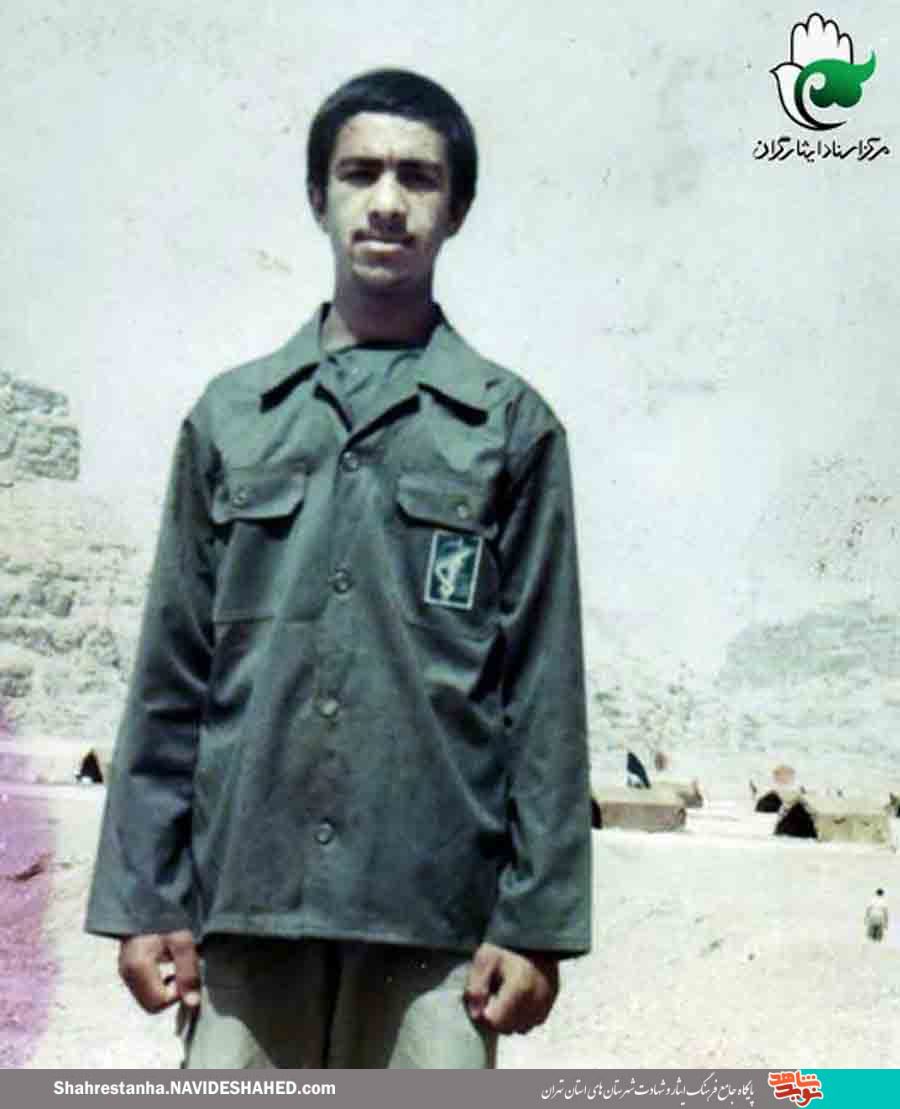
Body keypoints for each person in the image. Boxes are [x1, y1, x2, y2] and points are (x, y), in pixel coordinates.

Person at [85, 67, 592, 1069]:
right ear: (318, 197)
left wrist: (535, 922)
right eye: (360, 173)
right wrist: (146, 897)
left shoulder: (510, 428)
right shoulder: (232, 419)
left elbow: (543, 695)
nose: (388, 202)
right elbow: (172, 677)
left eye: (419, 177)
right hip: (246, 904)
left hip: (436, 922)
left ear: (458, 209)